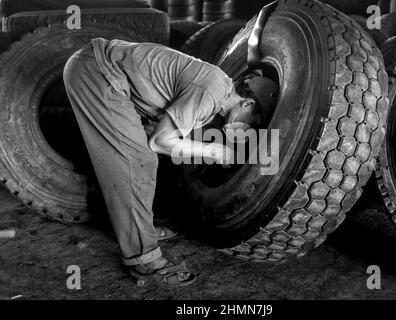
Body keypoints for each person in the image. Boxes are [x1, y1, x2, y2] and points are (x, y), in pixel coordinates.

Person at [63, 38, 278, 287]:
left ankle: (139, 231)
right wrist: (216, 152)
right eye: (255, 120)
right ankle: (142, 259)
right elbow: (161, 141)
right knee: (138, 161)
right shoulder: (210, 92)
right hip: (97, 72)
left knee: (143, 155)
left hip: (104, 69)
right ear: (248, 104)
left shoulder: (218, 90)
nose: (250, 127)